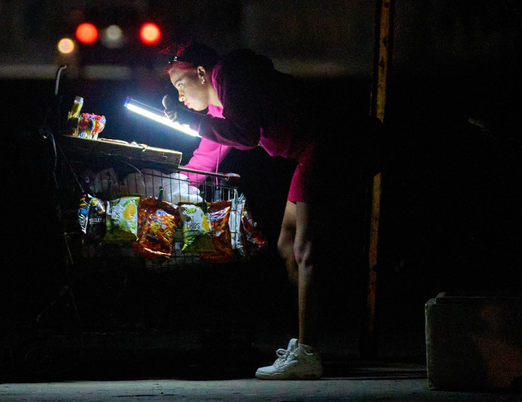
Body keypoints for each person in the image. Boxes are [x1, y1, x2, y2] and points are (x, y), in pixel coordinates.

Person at [162, 41, 381, 380]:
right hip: (308, 152)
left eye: (180, 85)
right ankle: (307, 340)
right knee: (286, 243)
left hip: (329, 141)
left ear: (202, 73)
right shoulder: (220, 110)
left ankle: (309, 352)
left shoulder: (231, 74)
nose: (179, 97)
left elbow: (246, 136)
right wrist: (177, 186)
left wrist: (192, 122)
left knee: (306, 250)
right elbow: (209, 155)